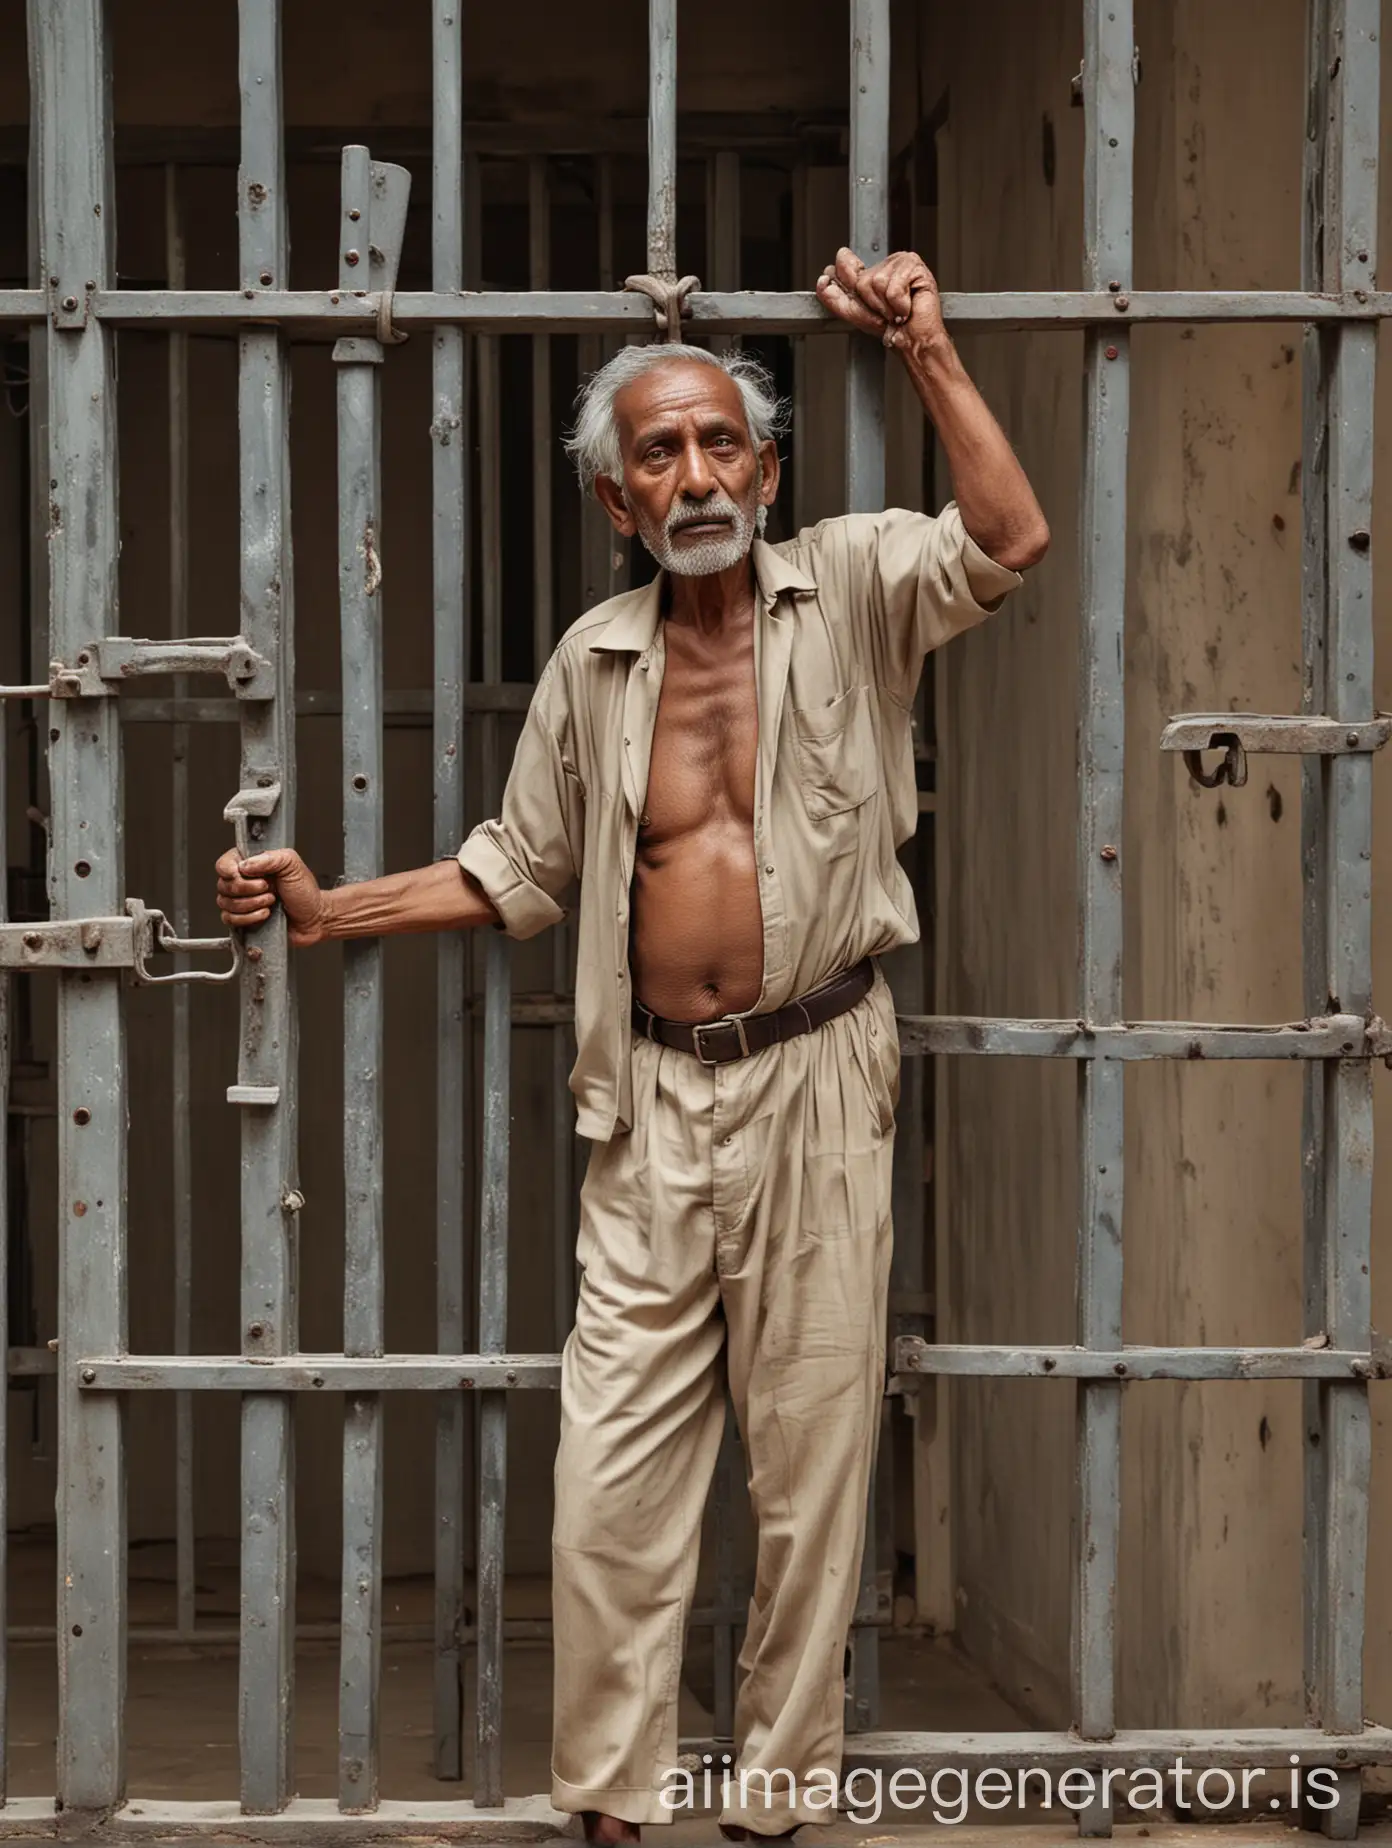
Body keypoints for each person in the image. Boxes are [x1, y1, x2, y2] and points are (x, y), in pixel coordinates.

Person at [216, 246, 1048, 1843]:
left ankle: (780, 1801)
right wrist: (331, 914)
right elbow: (514, 871)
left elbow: (1010, 536)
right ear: (618, 507)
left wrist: (931, 344)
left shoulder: (863, 581)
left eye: (721, 439)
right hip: (655, 1101)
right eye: (657, 453)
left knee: (810, 1479)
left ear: (769, 466)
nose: (695, 472)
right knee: (612, 1486)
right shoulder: (593, 670)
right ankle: (612, 1802)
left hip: (820, 1069)